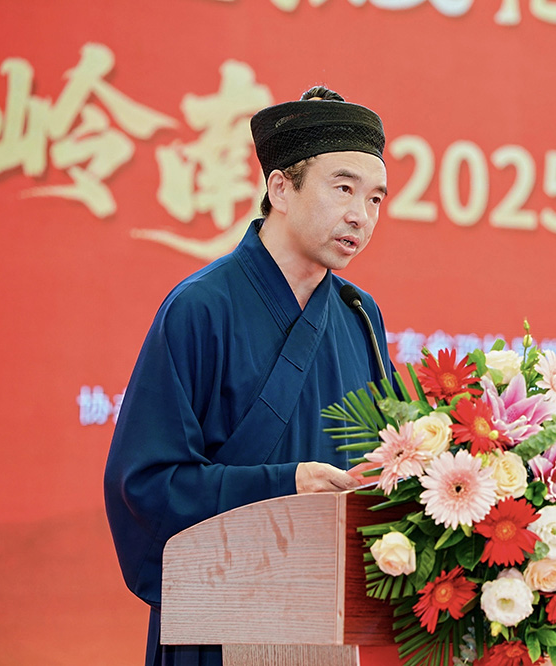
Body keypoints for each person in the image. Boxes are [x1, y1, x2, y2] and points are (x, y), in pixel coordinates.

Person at [103, 86, 392, 666]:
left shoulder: (361, 315)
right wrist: (285, 487)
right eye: (343, 188)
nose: (360, 215)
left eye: (375, 198)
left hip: (327, 626)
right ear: (280, 188)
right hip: (219, 618)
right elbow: (147, 487)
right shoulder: (200, 307)